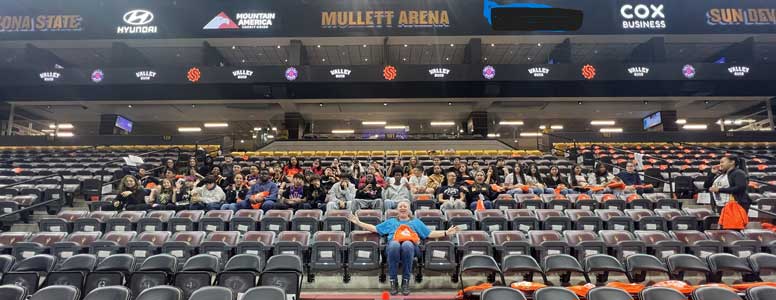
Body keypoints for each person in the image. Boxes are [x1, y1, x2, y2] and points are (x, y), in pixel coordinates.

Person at [347, 200, 460, 296]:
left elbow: (429, 234)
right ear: (397, 209)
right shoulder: (391, 221)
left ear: (409, 209)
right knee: (395, 244)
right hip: (393, 247)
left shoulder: (415, 222)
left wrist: (446, 232)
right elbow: (375, 229)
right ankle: (393, 281)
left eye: (405, 206)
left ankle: (405, 281)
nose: (402, 208)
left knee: (407, 244)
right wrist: (359, 223)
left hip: (411, 248)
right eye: (400, 206)